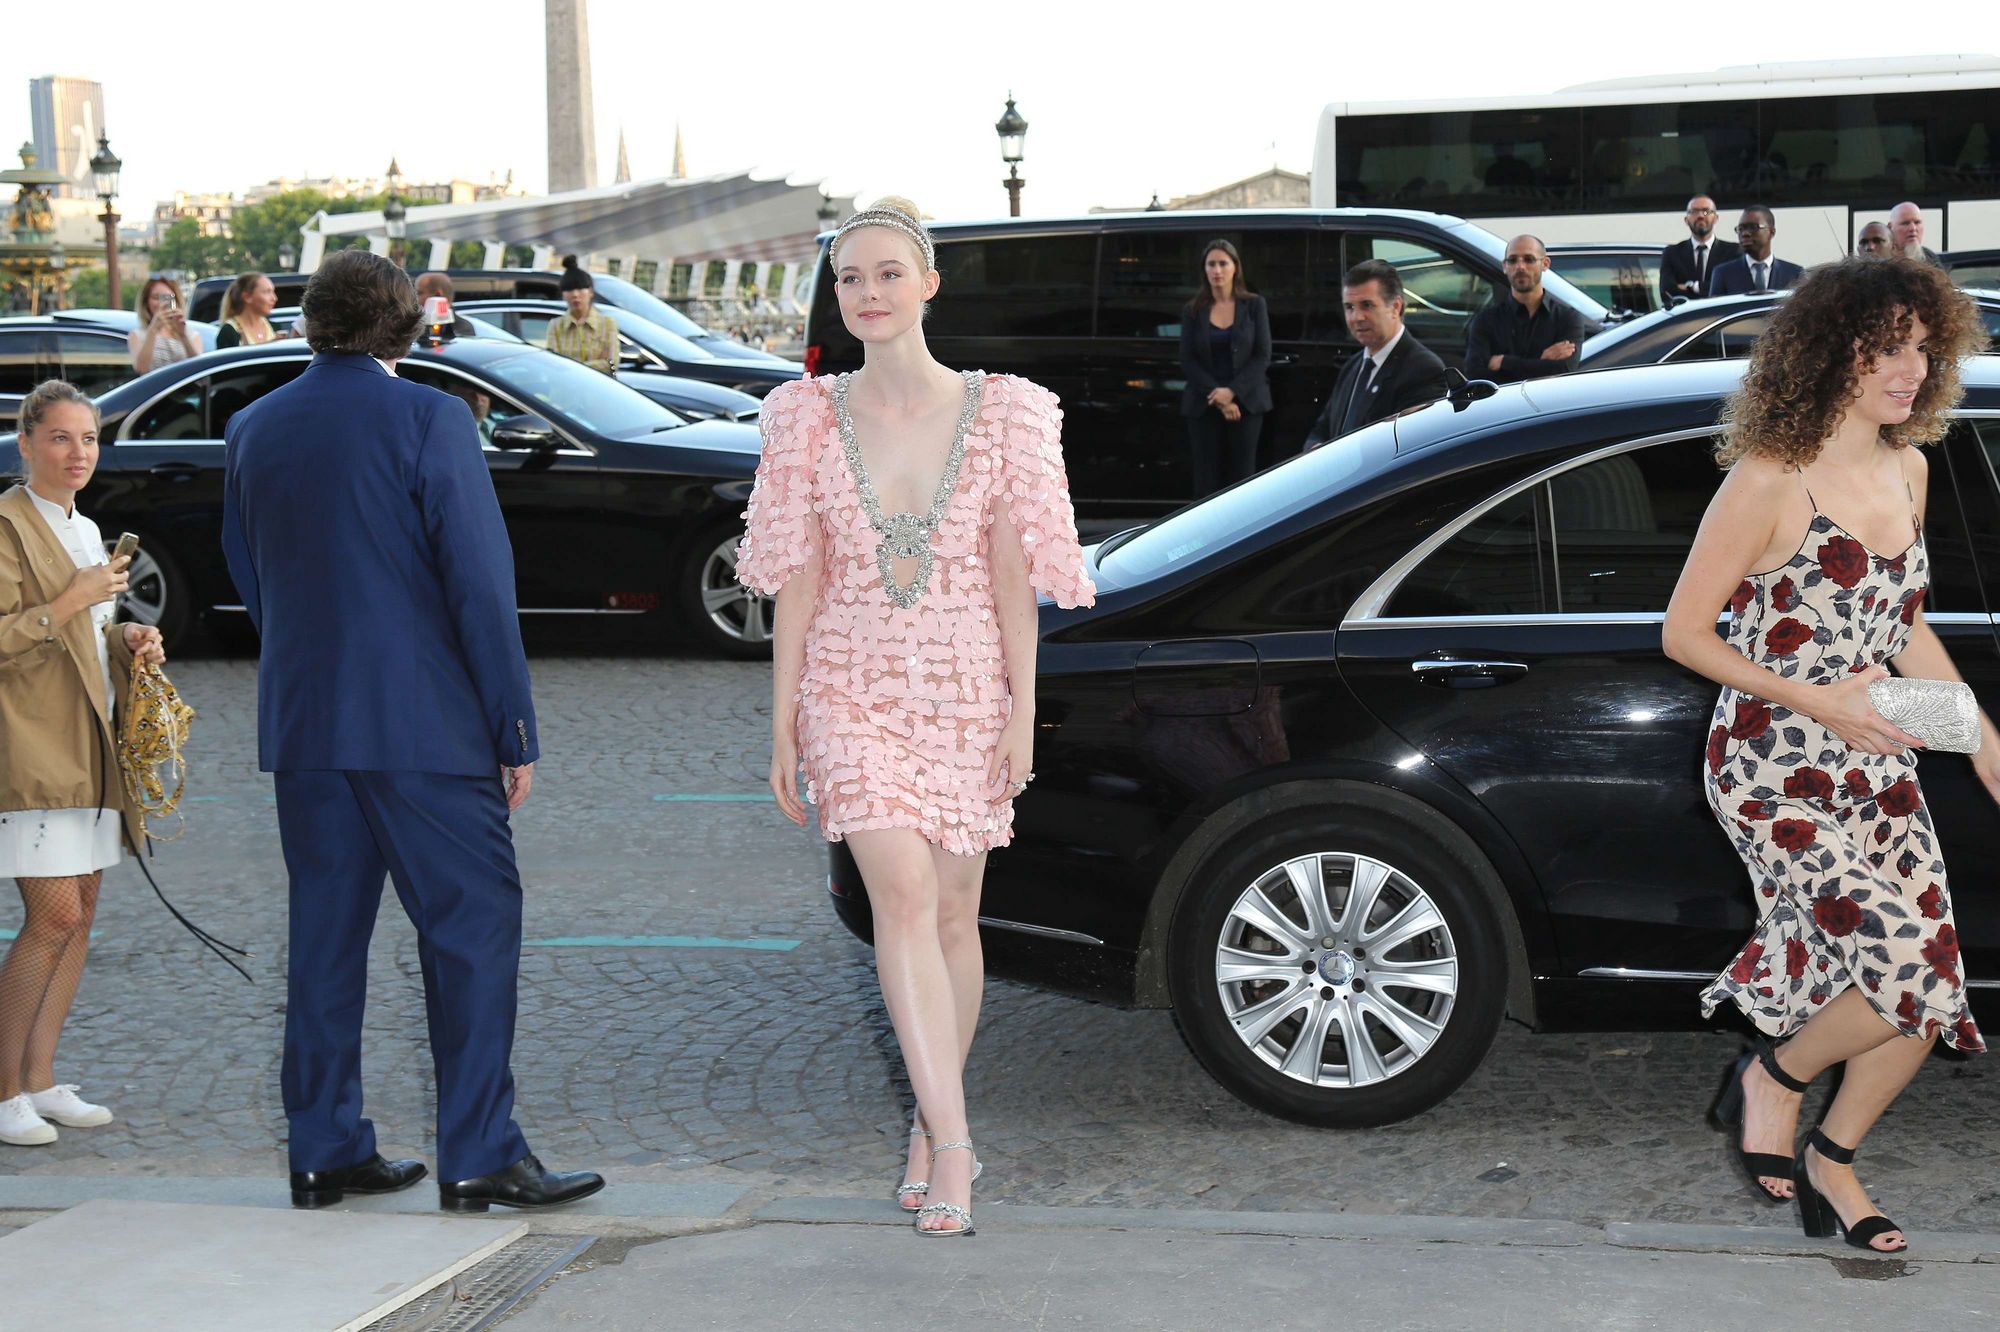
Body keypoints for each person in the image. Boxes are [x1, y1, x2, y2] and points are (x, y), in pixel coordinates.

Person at [736, 197, 1092, 1237]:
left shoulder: (1008, 414)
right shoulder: (803, 417)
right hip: (847, 685)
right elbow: (797, 581)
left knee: (950, 918)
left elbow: (1013, 578)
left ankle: (929, 1123)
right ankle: (957, 1143)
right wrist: (783, 725)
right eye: (850, 278)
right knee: (898, 893)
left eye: (889, 273)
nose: (869, 293)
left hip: (964, 686)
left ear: (929, 284)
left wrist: (1021, 713)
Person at [220, 249, 603, 1213]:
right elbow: (479, 584)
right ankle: (479, 1152)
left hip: (307, 721)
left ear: (313, 321)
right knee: (474, 928)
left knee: (323, 938)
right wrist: (512, 727)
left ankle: (324, 1148)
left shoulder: (255, 425)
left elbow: (247, 568)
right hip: (423, 724)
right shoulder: (431, 418)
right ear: (405, 324)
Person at [1664, 256, 1995, 1254]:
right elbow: (1683, 634)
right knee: (1904, 968)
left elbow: (1903, 630)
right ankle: (1772, 1077)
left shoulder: (1909, 468)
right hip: (1772, 766)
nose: (1910, 368)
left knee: (1930, 988)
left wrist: (1980, 737)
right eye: (1883, 348)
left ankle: (1833, 1159)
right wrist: (1820, 701)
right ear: (1828, 354)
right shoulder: (1769, 478)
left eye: (1921, 348)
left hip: (1876, 758)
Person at [0, 381, 164, 1147]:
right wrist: (75, 599)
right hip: (31, 747)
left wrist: (126, 638)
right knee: (54, 915)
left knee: (83, 912)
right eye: (60, 438)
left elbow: (88, 633)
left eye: (89, 438)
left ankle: (39, 1079)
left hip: (90, 746)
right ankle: (3, 1091)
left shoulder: (88, 528)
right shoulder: (6, 526)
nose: (78, 453)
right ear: (26, 443)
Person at [1304, 259, 1447, 449]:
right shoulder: (1352, 366)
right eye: (1349, 307)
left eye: (1367, 305)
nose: (1357, 317)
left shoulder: (1424, 370)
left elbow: (1411, 449)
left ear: (1395, 307)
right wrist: (1315, 450)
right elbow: (1323, 428)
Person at [1177, 239, 1272, 498]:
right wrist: (1218, 397)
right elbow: (1187, 358)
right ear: (1204, 269)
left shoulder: (1254, 305)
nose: (1217, 270)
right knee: (1206, 479)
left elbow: (1262, 355)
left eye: (1223, 263)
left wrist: (1232, 392)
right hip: (1203, 404)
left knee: (1243, 477)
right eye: (1211, 264)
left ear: (1235, 267)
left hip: (1246, 404)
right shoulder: (1193, 310)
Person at [1462, 234, 1590, 384]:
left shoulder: (1567, 318)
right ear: (1505, 266)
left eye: (1529, 259)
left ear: (1545, 264)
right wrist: (1541, 362)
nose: (1520, 266)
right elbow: (1475, 376)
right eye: (1512, 260)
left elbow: (1564, 370)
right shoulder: (1485, 320)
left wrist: (1504, 362)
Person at [1659, 196, 1741, 305]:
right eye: (1694, 212)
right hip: (1685, 314)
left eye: (1706, 211)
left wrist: (1694, 287)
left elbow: (1733, 288)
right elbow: (1666, 291)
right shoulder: (1672, 253)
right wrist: (1712, 287)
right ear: (1686, 220)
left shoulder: (1733, 251)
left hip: (1721, 314)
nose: (1700, 216)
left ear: (1716, 218)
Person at [545, 256, 618, 374]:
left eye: (580, 289)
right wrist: (597, 363)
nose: (575, 294)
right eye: (569, 290)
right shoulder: (556, 326)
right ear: (563, 295)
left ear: (590, 292)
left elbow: (612, 363)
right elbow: (554, 365)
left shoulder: (607, 324)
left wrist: (571, 366)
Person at [1706, 208, 1803, 295]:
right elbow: (1716, 309)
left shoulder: (1794, 273)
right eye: (1741, 229)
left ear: (1771, 232)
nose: (1745, 233)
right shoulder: (1723, 273)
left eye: (1753, 227)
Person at [128, 277, 199, 372]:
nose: (161, 303)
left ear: (176, 301)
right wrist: (153, 330)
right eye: (156, 298)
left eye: (167, 298)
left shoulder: (191, 334)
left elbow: (198, 368)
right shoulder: (138, 335)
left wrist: (183, 335)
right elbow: (141, 368)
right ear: (146, 302)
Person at [213, 272, 278, 349]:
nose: (274, 298)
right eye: (267, 292)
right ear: (247, 297)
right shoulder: (229, 331)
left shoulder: (274, 327)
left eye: (273, 292)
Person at [413, 272, 477, 344]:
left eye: (419, 293)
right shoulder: (414, 323)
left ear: (437, 295)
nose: (415, 299)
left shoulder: (461, 329)